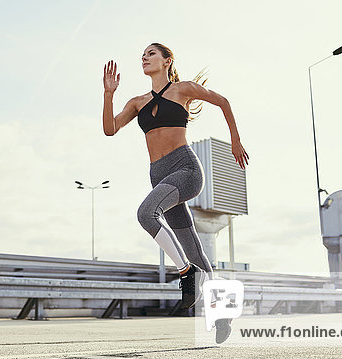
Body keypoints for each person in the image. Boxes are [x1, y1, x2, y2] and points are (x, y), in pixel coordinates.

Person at [102, 43, 248, 342]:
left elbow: (223, 101)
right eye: (142, 55)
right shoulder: (137, 102)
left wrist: (235, 139)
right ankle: (221, 313)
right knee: (195, 249)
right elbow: (109, 129)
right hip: (159, 175)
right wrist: (108, 95)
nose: (144, 57)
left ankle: (185, 273)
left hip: (186, 170)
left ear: (168, 61)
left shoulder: (183, 89)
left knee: (146, 214)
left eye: (151, 54)